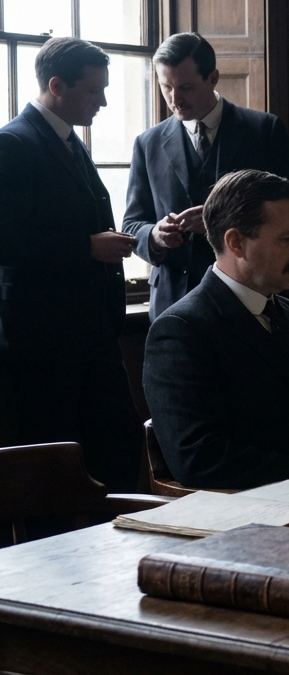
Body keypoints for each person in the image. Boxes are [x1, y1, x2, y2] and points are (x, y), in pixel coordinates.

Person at [144, 170, 289, 490]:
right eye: (287, 238)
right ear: (236, 243)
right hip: (261, 507)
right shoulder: (180, 331)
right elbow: (198, 457)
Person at [0, 37, 142, 491]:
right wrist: (86, 247)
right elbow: (6, 243)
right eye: (93, 91)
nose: (103, 102)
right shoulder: (13, 144)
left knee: (118, 456)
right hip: (43, 343)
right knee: (55, 475)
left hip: (93, 335)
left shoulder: (68, 141)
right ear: (57, 86)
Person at [124, 32, 289, 321]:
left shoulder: (263, 131)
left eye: (185, 87)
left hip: (253, 297)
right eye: (166, 87)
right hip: (174, 303)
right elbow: (133, 224)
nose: (174, 99)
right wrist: (156, 236)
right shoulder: (147, 143)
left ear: (213, 78)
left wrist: (219, 222)